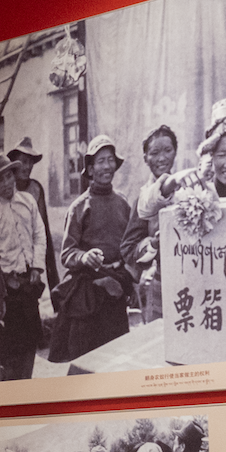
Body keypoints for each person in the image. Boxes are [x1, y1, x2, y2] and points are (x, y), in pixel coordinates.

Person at [49, 135, 134, 363]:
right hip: (87, 293)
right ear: (90, 168)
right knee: (86, 360)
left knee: (116, 358)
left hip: (115, 290)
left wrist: (129, 275)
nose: (107, 166)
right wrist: (85, 257)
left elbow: (129, 246)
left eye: (110, 160)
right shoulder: (79, 207)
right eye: (101, 161)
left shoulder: (123, 203)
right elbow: (67, 253)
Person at [0, 156, 45, 381]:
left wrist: (37, 267)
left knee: (31, 337)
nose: (7, 183)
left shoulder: (28, 201)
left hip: (29, 281)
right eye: (0, 180)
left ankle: (26, 378)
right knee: (11, 341)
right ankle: (13, 383)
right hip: (8, 288)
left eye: (9, 176)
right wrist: (1, 283)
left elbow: (39, 235)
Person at [121, 125, 182, 321]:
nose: (162, 158)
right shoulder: (144, 200)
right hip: (162, 282)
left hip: (193, 279)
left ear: (175, 152)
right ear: (146, 158)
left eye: (167, 150)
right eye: (154, 153)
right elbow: (128, 249)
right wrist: (152, 244)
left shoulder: (186, 188)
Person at [5, 136, 60, 290]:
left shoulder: (36, 189)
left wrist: (41, 267)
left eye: (30, 162)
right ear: (14, 163)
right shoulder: (4, 188)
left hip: (32, 257)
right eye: (23, 161)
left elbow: (42, 231)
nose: (27, 167)